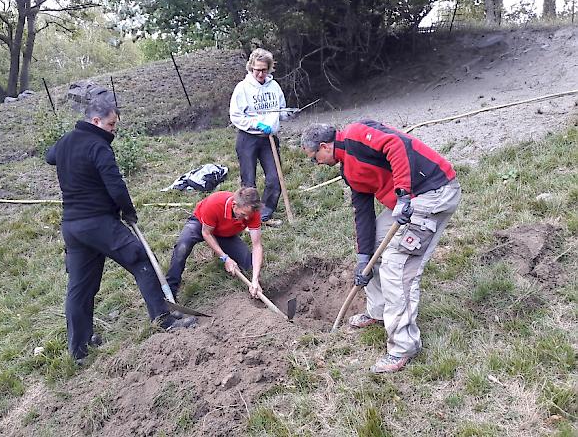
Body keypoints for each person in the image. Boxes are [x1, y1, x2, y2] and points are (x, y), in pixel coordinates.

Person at [46, 88, 195, 361]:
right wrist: (129, 212)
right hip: (99, 223)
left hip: (73, 228)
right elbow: (115, 185)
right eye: (111, 124)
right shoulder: (98, 146)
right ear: (95, 122)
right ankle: (164, 320)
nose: (114, 131)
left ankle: (79, 350)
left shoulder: (67, 141)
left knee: (80, 287)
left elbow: (50, 156)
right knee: (140, 259)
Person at [301, 120, 461, 373]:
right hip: (408, 201)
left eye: (314, 157)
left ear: (324, 146)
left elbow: (394, 144)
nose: (317, 163)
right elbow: (362, 213)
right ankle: (378, 310)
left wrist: (403, 195)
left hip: (433, 191)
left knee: (397, 267)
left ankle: (402, 347)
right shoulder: (349, 171)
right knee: (375, 249)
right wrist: (363, 259)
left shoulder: (356, 134)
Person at [229, 48, 295, 227]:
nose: (260, 73)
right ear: (251, 68)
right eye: (256, 69)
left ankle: (265, 213)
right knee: (248, 181)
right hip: (248, 139)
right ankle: (245, 215)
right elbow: (235, 116)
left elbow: (280, 110)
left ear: (269, 69)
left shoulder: (274, 87)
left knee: (275, 178)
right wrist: (256, 124)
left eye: (264, 70)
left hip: (269, 139)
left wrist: (287, 114)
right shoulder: (242, 88)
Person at [166, 187, 264, 299]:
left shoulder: (252, 212)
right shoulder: (215, 203)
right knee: (182, 247)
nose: (246, 218)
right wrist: (225, 258)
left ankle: (255, 287)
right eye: (242, 214)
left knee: (248, 263)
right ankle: (170, 291)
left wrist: (255, 279)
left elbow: (257, 245)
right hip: (201, 225)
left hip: (225, 233)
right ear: (234, 205)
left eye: (249, 215)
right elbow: (206, 233)